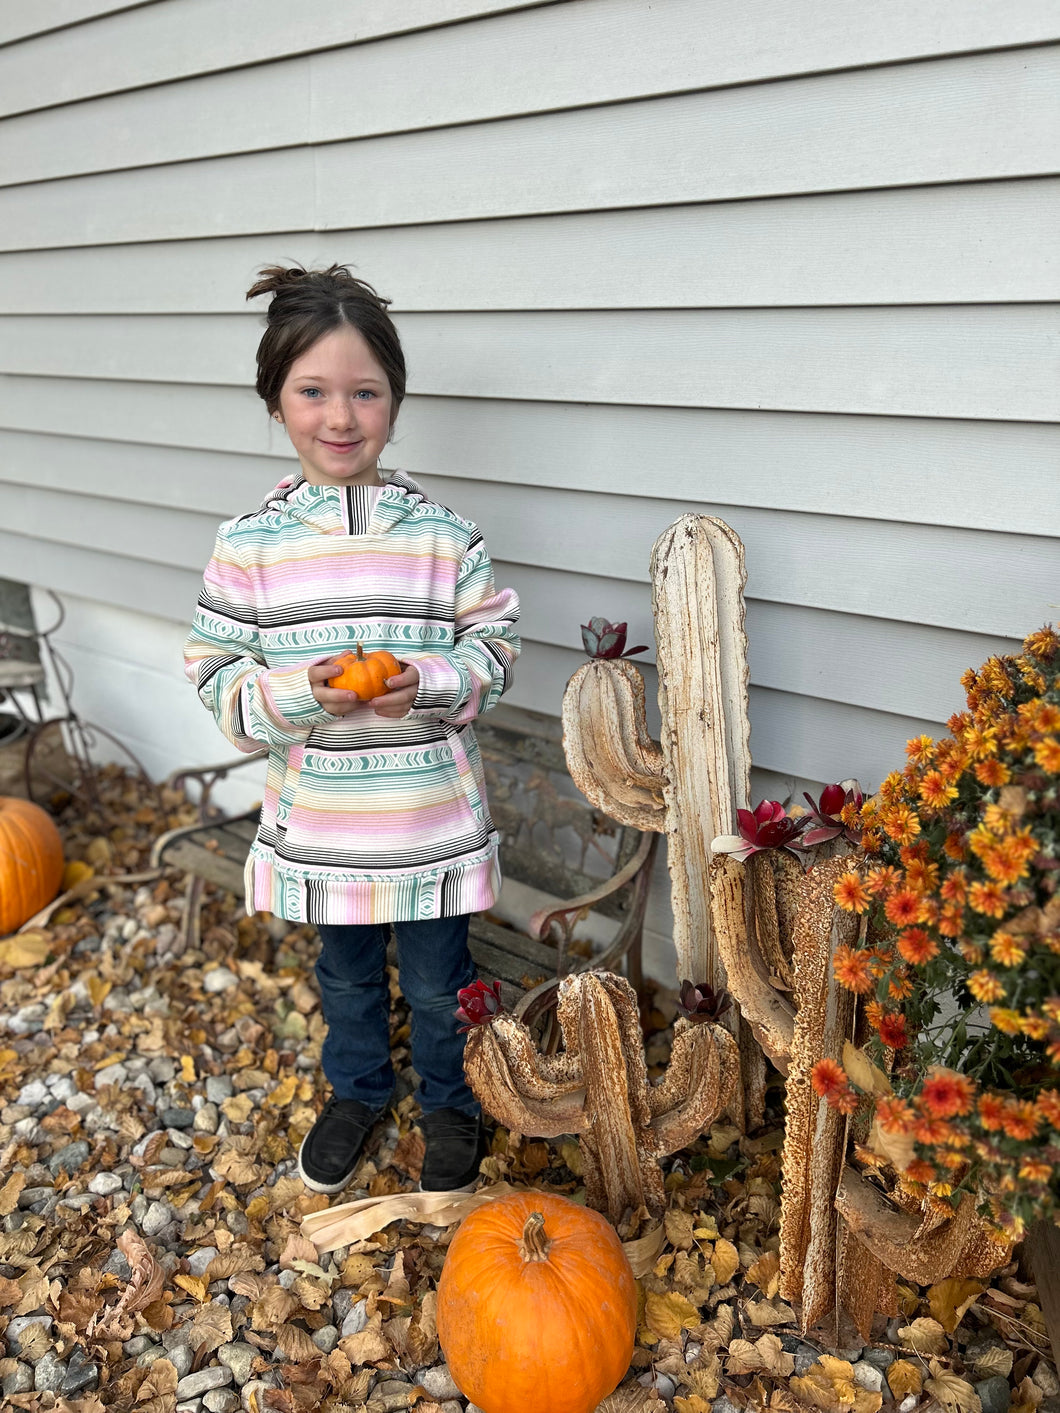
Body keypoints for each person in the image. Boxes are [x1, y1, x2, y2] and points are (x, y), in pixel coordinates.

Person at [183, 264, 520, 1196]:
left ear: (396, 401)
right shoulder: (250, 543)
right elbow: (217, 675)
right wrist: (299, 694)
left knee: (441, 985)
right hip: (328, 824)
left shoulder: (443, 536)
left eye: (364, 392)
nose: (341, 416)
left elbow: (493, 648)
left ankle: (451, 1101)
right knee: (347, 982)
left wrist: (431, 679)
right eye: (313, 392)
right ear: (275, 401)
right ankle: (359, 1090)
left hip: (426, 822)